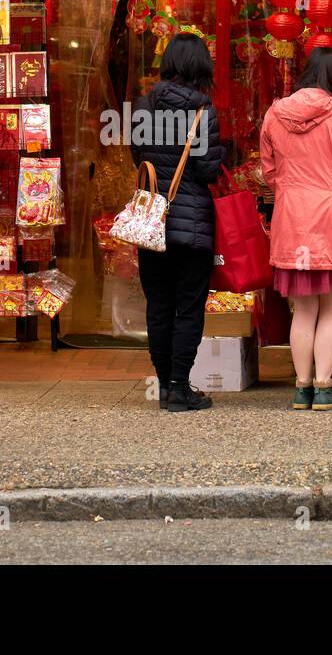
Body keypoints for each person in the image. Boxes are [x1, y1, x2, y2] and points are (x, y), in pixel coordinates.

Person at [261, 48, 332, 411]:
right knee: (331, 310)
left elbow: (269, 173)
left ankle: (301, 386)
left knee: (302, 310)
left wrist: (290, 189)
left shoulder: (275, 114)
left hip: (291, 217)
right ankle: (324, 387)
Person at [130, 33, 225, 412]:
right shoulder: (204, 112)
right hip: (192, 226)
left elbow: (138, 157)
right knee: (188, 305)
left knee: (158, 304)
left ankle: (165, 386)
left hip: (151, 221)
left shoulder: (142, 105)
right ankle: (179, 386)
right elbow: (209, 169)